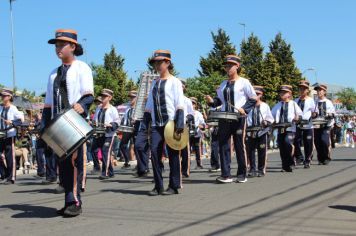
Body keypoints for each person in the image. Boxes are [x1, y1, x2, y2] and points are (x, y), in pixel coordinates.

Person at [42, 29, 94, 216]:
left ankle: (75, 201)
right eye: (56, 45)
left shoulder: (82, 68)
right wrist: (43, 128)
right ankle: (68, 200)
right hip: (57, 126)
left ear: (72, 46)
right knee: (63, 164)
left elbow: (88, 96)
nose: (58, 48)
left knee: (73, 162)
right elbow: (48, 105)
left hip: (74, 123)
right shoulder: (52, 74)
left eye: (61, 45)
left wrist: (82, 105)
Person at [205, 55, 257, 183]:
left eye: (230, 65)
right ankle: (226, 174)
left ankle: (242, 174)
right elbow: (219, 102)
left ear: (237, 66)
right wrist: (212, 101)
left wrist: (244, 109)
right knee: (223, 146)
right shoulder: (223, 84)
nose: (227, 68)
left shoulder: (244, 82)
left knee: (240, 145)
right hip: (224, 118)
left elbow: (253, 98)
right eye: (226, 65)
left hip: (238, 118)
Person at [145, 49, 185, 195]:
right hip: (156, 124)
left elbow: (179, 103)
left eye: (159, 62)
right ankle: (158, 186)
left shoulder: (175, 82)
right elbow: (149, 105)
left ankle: (174, 186)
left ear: (167, 63)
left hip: (171, 123)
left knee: (174, 155)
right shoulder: (154, 84)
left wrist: (179, 123)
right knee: (155, 153)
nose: (156, 66)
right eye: (155, 63)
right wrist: (145, 123)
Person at [271, 85, 303, 172]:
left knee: (287, 143)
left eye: (284, 92)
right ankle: (285, 166)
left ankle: (291, 162)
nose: (282, 94)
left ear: (289, 94)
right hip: (280, 128)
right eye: (281, 92)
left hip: (290, 128)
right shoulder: (277, 105)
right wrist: (271, 122)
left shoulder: (293, 104)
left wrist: (297, 118)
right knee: (282, 147)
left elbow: (300, 114)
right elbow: (271, 116)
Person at [246, 86, 274, 177]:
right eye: (254, 94)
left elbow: (270, 119)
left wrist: (266, 122)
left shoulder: (265, 106)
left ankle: (261, 169)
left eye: (258, 94)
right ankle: (252, 169)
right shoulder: (247, 106)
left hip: (262, 131)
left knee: (262, 151)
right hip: (250, 131)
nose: (256, 96)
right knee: (250, 151)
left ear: (261, 95)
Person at [93, 89, 120, 179]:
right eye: (102, 96)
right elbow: (95, 119)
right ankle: (109, 171)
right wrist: (93, 123)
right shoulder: (98, 108)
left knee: (105, 153)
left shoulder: (113, 109)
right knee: (94, 150)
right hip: (99, 134)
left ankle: (106, 173)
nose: (103, 97)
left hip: (109, 135)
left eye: (105, 96)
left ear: (110, 98)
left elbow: (117, 121)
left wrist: (111, 125)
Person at [0, 88, 24, 184]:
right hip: (0, 134)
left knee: (9, 156)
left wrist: (12, 122)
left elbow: (21, 120)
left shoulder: (13, 108)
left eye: (4, 95)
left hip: (10, 134)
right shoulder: (0, 107)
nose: (2, 97)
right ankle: (4, 173)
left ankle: (11, 177)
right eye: (2, 95)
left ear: (10, 97)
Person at [293, 80, 317, 168]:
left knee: (308, 143)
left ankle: (307, 160)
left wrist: (314, 114)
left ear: (307, 90)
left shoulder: (311, 100)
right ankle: (299, 156)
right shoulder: (295, 101)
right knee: (295, 141)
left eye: (304, 89)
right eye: (300, 88)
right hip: (298, 125)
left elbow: (315, 112)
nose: (302, 90)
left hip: (308, 125)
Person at [313, 84, 335, 165]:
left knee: (324, 140)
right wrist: (313, 114)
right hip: (317, 124)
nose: (319, 92)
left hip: (326, 125)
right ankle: (320, 158)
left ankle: (326, 157)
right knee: (317, 142)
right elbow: (312, 113)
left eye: (320, 90)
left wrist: (329, 115)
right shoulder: (314, 102)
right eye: (317, 90)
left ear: (324, 92)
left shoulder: (328, 102)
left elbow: (333, 114)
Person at [119, 91, 137, 169]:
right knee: (122, 145)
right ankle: (126, 161)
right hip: (127, 128)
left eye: (133, 97)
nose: (131, 99)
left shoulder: (139, 107)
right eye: (130, 97)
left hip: (136, 128)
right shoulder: (127, 107)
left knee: (137, 147)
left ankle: (140, 164)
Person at [189, 97, 206, 169]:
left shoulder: (198, 113)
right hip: (187, 134)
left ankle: (199, 164)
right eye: (191, 103)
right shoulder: (186, 112)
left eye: (193, 103)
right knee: (187, 150)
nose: (192, 105)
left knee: (197, 149)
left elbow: (203, 123)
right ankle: (187, 165)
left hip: (196, 134)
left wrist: (201, 126)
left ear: (195, 105)